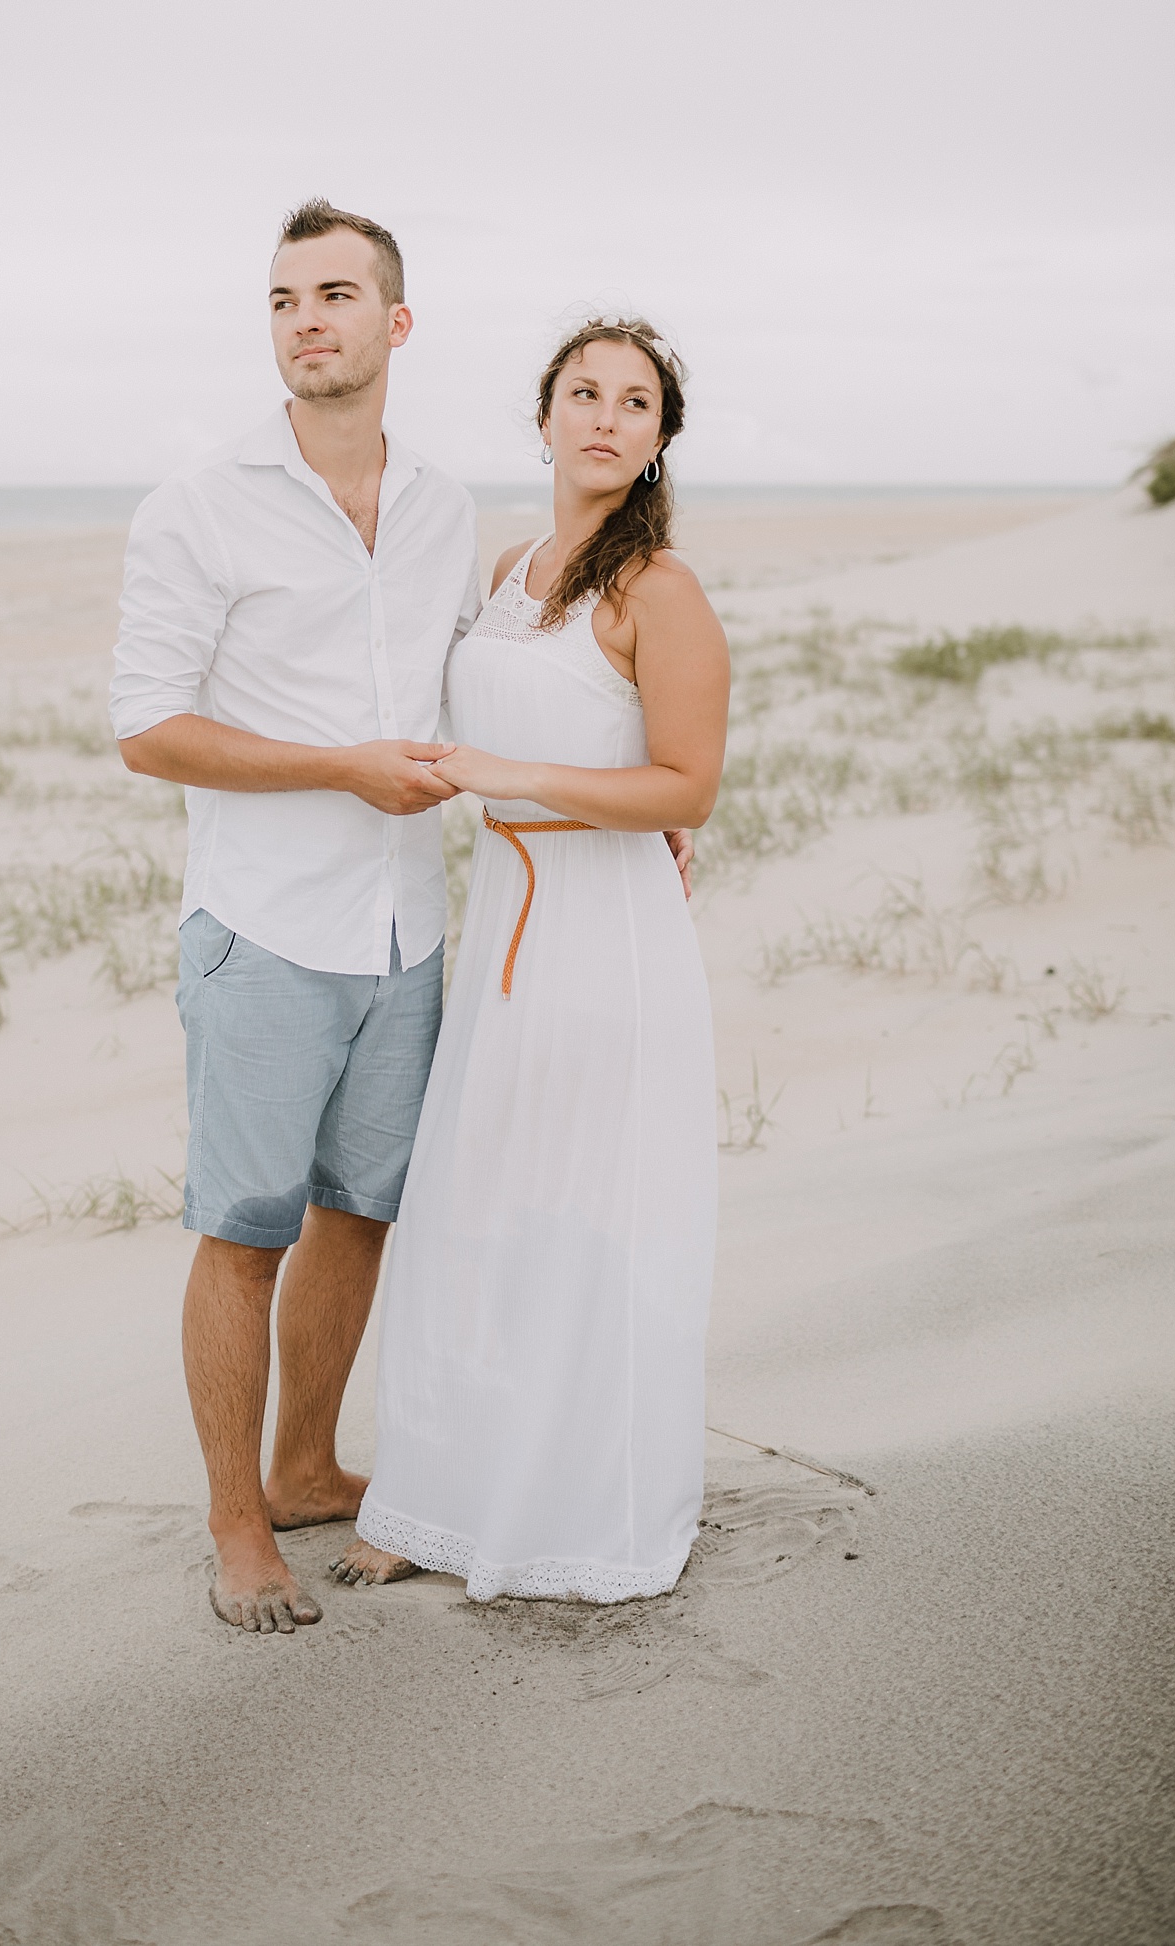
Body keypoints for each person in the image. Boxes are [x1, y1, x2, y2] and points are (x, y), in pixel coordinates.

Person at [109, 199, 481, 1633]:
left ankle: (311, 1461)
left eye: (336, 293)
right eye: (284, 298)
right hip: (265, 928)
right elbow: (148, 728)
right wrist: (339, 766)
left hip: (406, 932)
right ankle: (235, 1520)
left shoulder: (445, 505)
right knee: (246, 1227)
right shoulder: (198, 503)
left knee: (360, 1210)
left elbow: (478, 679)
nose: (306, 318)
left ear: (395, 322)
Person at [336, 316, 729, 1604]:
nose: (606, 417)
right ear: (546, 415)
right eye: (583, 393)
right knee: (471, 1202)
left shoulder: (657, 591)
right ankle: (437, 1496)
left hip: (605, 938)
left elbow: (690, 785)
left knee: (587, 1213)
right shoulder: (511, 568)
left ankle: (575, 1507)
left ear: (661, 437)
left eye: (635, 402)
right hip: (504, 915)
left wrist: (512, 776)